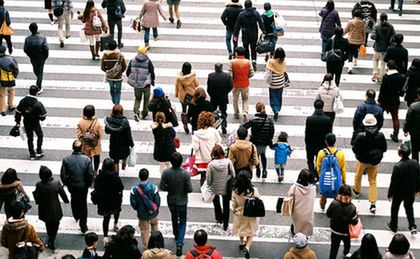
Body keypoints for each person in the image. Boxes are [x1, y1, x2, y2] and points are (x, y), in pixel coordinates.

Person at [159, 152, 193, 256]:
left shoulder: (166, 173)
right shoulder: (185, 174)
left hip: (171, 200)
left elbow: (162, 187)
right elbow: (190, 189)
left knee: (174, 217)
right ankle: (179, 243)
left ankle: (175, 233)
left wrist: (169, 188)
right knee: (182, 222)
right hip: (182, 201)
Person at [352, 114, 387, 214]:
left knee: (358, 176)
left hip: (362, 161)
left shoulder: (360, 136)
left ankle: (356, 191)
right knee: (372, 181)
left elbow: (355, 149)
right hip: (374, 162)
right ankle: (372, 203)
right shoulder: (380, 135)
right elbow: (384, 149)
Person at [33, 165, 69, 250]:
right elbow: (62, 193)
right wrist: (66, 200)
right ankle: (52, 239)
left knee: (48, 223)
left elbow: (37, 195)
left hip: (44, 207)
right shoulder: (56, 183)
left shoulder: (39, 185)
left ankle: (50, 236)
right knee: (56, 223)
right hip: (54, 207)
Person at [61, 140, 93, 233]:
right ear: (81, 148)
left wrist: (67, 183)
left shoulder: (66, 159)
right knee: (83, 204)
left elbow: (63, 174)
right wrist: (87, 184)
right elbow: (90, 174)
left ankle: (76, 215)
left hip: (72, 185)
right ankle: (83, 226)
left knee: (74, 199)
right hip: (83, 186)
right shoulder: (86, 159)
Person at [387, 144, 420, 235]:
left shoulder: (398, 166)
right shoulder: (415, 163)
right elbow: (418, 177)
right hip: (410, 190)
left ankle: (393, 226)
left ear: (400, 154)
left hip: (399, 192)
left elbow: (393, 183)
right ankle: (412, 225)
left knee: (395, 208)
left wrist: (390, 194)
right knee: (409, 207)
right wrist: (417, 189)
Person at [93, 158, 124, 246]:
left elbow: (96, 187)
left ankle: (105, 237)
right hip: (114, 200)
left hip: (103, 201)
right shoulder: (115, 176)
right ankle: (115, 224)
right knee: (116, 212)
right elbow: (121, 187)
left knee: (106, 219)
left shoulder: (99, 177)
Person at [130, 168, 161, 249]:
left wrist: (138, 209)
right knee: (155, 225)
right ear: (148, 177)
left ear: (139, 177)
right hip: (153, 213)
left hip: (142, 214)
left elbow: (133, 203)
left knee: (144, 230)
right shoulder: (153, 187)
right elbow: (157, 200)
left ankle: (147, 248)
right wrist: (154, 209)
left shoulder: (134, 189)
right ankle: (156, 246)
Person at [232, 171, 260, 259]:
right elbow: (258, 200)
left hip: (240, 213)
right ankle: (247, 248)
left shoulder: (235, 191)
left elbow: (233, 203)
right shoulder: (253, 190)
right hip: (250, 213)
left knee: (241, 228)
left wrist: (234, 210)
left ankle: (241, 243)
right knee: (250, 231)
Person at [14, 85, 47, 160]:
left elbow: (18, 112)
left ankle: (32, 154)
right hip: (35, 122)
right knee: (40, 135)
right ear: (36, 93)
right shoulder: (38, 104)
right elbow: (43, 115)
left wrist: (18, 122)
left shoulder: (23, 101)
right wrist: (39, 117)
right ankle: (39, 150)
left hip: (26, 121)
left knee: (30, 138)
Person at [243, 102, 274, 179]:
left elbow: (244, 127)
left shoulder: (253, 120)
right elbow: (272, 132)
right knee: (263, 154)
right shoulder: (269, 120)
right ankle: (264, 170)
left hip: (255, 141)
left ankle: (257, 169)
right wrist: (269, 139)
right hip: (264, 141)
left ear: (256, 109)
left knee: (256, 156)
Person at [207, 145, 235, 231]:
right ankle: (225, 225)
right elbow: (233, 174)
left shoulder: (211, 164)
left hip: (215, 187)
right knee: (226, 206)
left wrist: (210, 185)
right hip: (226, 187)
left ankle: (219, 218)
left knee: (216, 202)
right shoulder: (228, 162)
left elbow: (208, 179)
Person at [326, 184, 358, 259]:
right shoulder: (352, 207)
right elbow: (355, 222)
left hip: (335, 231)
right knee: (347, 246)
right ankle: (345, 255)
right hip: (346, 233)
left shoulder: (334, 204)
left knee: (334, 248)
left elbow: (328, 214)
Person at [316, 133, 347, 209]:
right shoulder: (340, 153)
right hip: (336, 178)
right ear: (335, 141)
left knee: (324, 193)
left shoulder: (321, 152)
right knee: (336, 193)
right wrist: (344, 180)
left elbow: (318, 167)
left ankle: (322, 205)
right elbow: (343, 168)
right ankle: (335, 207)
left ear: (326, 142)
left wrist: (321, 176)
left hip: (325, 177)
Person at [233, 0, 265, 71]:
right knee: (253, 47)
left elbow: (237, 25)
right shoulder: (256, 13)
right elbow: (260, 22)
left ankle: (247, 62)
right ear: (251, 5)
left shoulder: (241, 14)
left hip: (245, 32)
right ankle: (254, 61)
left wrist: (235, 34)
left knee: (246, 47)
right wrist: (263, 31)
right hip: (254, 32)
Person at [192, 111, 222, 186]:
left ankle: (204, 193)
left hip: (201, 160)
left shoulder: (197, 134)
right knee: (213, 177)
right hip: (213, 158)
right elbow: (219, 143)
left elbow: (195, 148)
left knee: (203, 177)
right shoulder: (214, 131)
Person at [378, 60, 405, 142]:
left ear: (388, 67)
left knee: (379, 115)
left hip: (385, 100)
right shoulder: (400, 77)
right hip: (395, 100)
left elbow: (382, 90)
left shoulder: (386, 77)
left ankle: (376, 130)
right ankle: (396, 134)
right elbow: (402, 88)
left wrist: (379, 100)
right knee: (395, 118)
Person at [304, 99, 332, 178]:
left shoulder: (309, 119)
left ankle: (312, 175)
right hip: (322, 144)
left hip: (311, 143)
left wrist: (307, 143)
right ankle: (317, 173)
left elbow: (307, 133)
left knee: (310, 160)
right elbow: (329, 133)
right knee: (319, 160)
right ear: (323, 107)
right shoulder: (327, 119)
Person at [127, 45, 155, 121]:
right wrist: (152, 81)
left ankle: (136, 111)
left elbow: (128, 72)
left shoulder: (132, 60)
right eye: (146, 51)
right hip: (146, 84)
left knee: (137, 98)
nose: (147, 52)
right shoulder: (148, 61)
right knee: (146, 99)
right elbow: (152, 72)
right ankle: (145, 114)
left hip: (136, 84)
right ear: (144, 52)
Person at [104, 104, 134, 173]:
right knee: (125, 155)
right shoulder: (124, 122)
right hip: (124, 143)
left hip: (114, 143)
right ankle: (124, 164)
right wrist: (131, 144)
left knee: (115, 160)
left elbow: (107, 131)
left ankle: (116, 174)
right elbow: (128, 134)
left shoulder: (110, 120)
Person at [228, 46, 254, 122]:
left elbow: (230, 75)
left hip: (235, 84)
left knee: (235, 99)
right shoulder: (248, 62)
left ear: (236, 53)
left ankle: (236, 113)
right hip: (245, 83)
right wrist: (246, 76)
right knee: (245, 99)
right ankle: (245, 112)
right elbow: (251, 73)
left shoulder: (232, 62)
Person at [287, 169, 316, 236]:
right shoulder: (313, 188)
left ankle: (297, 237)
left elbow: (289, 196)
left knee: (296, 226)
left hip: (297, 212)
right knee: (306, 228)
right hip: (308, 213)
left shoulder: (294, 188)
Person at [77, 105, 103, 177]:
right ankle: (95, 172)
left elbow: (79, 135)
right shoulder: (97, 123)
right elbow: (100, 135)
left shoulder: (81, 122)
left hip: (85, 145)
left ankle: (89, 172)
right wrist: (97, 143)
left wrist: (84, 142)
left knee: (88, 159)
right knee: (96, 158)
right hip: (95, 145)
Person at [207, 62, 232, 134]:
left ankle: (213, 125)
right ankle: (223, 125)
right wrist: (225, 93)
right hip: (223, 97)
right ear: (222, 68)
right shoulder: (226, 76)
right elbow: (230, 86)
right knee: (223, 111)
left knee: (213, 112)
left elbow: (209, 88)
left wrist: (211, 94)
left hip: (214, 97)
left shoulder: (211, 76)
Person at [370, 13, 395, 84]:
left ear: (380, 18)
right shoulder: (390, 27)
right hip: (386, 48)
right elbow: (394, 36)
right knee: (383, 64)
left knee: (375, 60)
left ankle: (375, 75)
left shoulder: (377, 26)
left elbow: (373, 36)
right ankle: (381, 78)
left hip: (377, 47)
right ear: (387, 18)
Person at [23, 23, 48, 93]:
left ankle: (38, 85)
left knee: (36, 70)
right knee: (39, 72)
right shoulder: (43, 38)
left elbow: (25, 49)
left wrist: (30, 55)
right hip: (41, 57)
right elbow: (46, 49)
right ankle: (39, 84)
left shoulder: (28, 39)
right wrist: (45, 57)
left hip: (33, 57)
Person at [101, 40, 128, 105]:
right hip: (118, 76)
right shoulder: (120, 56)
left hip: (110, 76)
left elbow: (102, 67)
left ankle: (114, 101)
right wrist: (120, 72)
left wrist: (108, 71)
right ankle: (117, 104)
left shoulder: (105, 56)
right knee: (118, 91)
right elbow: (124, 66)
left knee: (112, 89)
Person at [175, 62, 199, 133]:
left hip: (182, 96)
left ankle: (185, 124)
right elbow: (197, 85)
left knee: (184, 110)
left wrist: (177, 94)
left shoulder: (179, 78)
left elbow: (176, 87)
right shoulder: (193, 76)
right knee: (192, 109)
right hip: (191, 95)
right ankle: (190, 120)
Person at [266, 47, 288, 120]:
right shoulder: (283, 62)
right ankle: (278, 108)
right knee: (279, 96)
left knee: (273, 96)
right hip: (281, 81)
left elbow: (268, 70)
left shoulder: (271, 61)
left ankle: (274, 109)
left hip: (273, 82)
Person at [344, 10, 365, 74]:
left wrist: (341, 35)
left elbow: (346, 30)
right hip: (359, 40)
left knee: (350, 52)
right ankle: (355, 61)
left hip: (351, 40)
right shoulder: (363, 23)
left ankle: (350, 67)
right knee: (356, 51)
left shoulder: (350, 22)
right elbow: (363, 32)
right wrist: (364, 40)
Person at [0, 45, 18, 116]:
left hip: (1, 80)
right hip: (10, 78)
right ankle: (11, 105)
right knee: (11, 91)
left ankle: (2, 110)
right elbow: (16, 68)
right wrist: (15, 76)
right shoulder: (10, 59)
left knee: (2, 94)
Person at [404, 88, 420, 161]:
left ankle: (415, 166)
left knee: (415, 151)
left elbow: (408, 120)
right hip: (415, 132)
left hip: (415, 132)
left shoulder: (413, 106)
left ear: (418, 95)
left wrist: (405, 130)